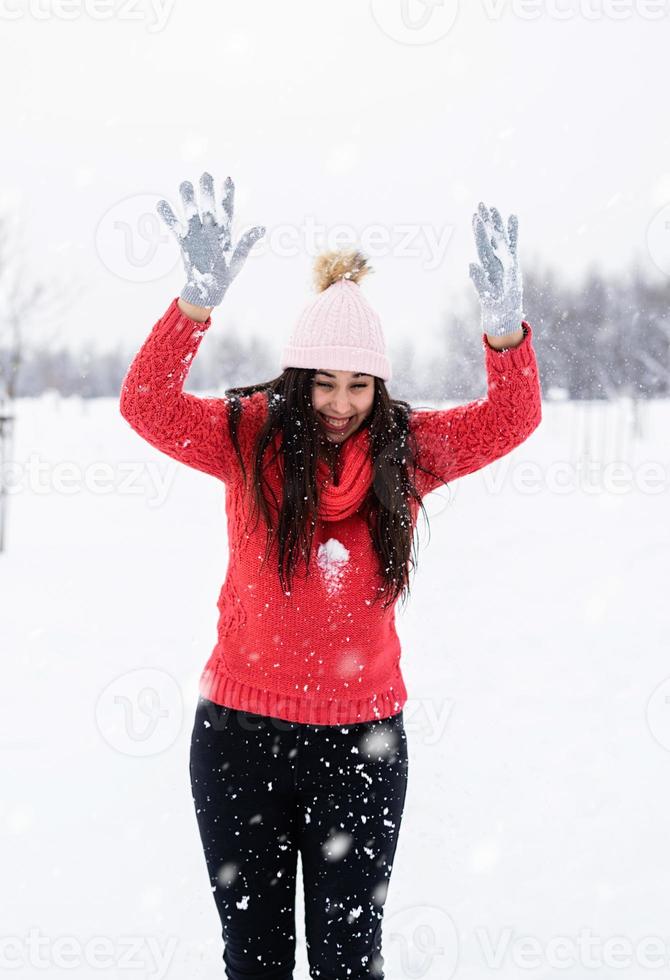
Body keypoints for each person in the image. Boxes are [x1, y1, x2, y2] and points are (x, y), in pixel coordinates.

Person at [119, 172, 542, 980]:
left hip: (363, 743)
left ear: (378, 383)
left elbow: (511, 420)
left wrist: (503, 335)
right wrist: (193, 308)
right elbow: (146, 402)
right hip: (240, 738)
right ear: (295, 376)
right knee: (257, 957)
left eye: (358, 383)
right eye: (323, 381)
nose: (340, 402)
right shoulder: (245, 435)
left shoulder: (407, 450)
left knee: (350, 961)